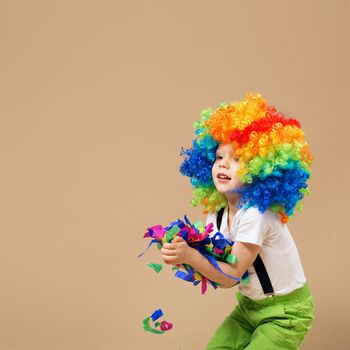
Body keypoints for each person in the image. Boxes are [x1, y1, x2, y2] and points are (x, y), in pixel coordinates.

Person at [160, 93, 314, 349]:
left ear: (261, 170)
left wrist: (189, 256)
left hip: (285, 314)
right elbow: (216, 268)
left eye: (238, 160)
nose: (224, 165)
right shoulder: (217, 215)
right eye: (219, 158)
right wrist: (181, 249)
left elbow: (231, 276)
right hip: (248, 307)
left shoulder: (256, 215)